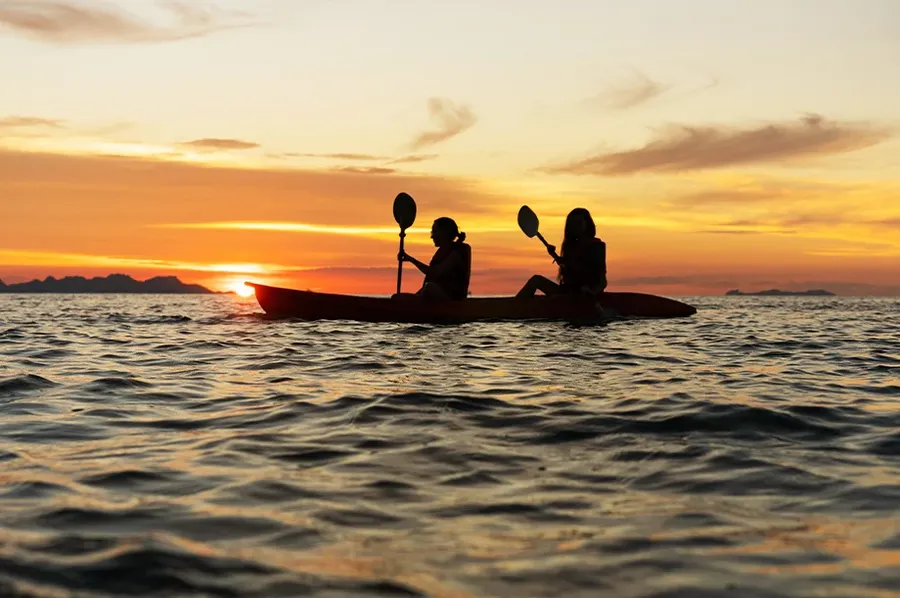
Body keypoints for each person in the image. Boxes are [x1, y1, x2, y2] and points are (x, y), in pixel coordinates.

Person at [516, 207, 607, 299]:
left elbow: (601, 279)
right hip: (567, 292)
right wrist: (555, 255)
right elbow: (570, 268)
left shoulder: (597, 246)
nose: (575, 227)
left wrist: (592, 292)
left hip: (582, 295)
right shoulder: (571, 246)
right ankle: (514, 305)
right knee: (536, 280)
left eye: (579, 223)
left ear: (587, 223)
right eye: (572, 224)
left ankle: (514, 305)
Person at [398, 217, 471, 300]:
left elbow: (434, 273)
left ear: (444, 233)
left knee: (429, 288)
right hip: (433, 293)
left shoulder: (460, 250)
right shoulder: (441, 252)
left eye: (435, 232)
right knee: (398, 297)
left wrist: (411, 260)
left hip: (452, 299)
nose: (432, 236)